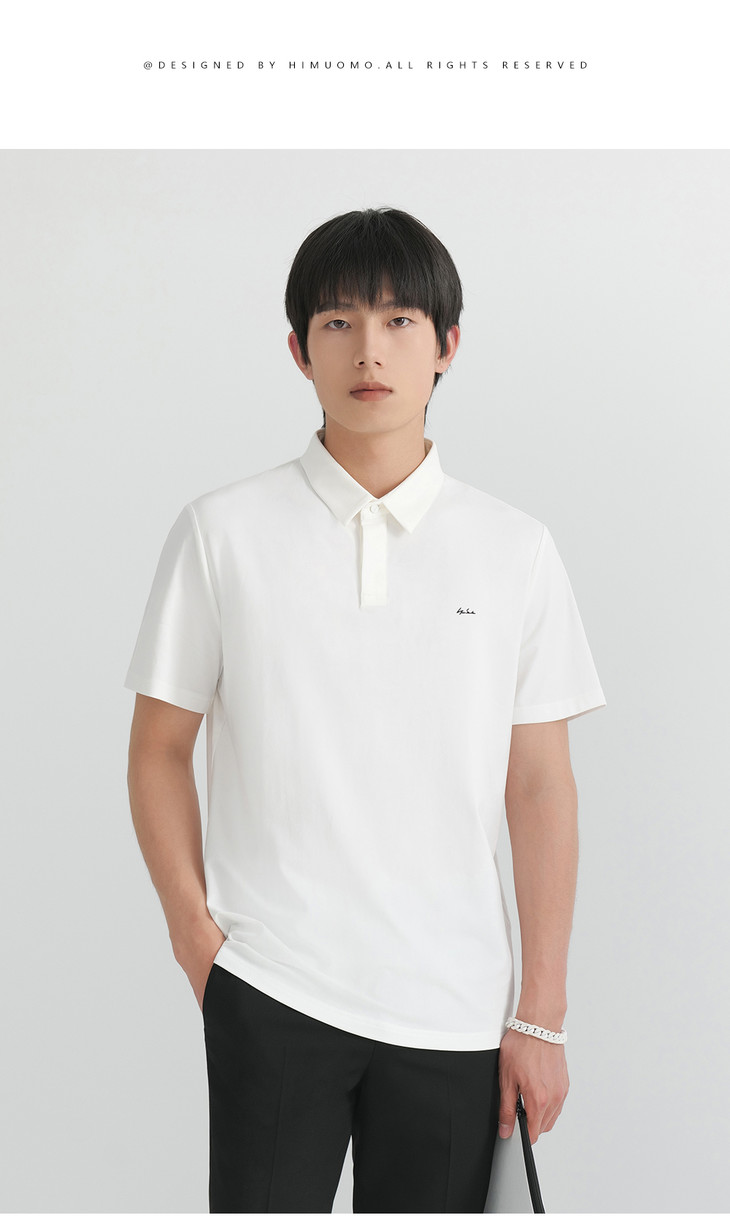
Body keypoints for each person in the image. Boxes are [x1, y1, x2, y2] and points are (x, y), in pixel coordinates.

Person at [125, 206, 606, 1213]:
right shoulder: (223, 532)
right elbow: (160, 748)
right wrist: (197, 943)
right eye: (338, 322)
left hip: (454, 1008)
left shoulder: (514, 549)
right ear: (299, 350)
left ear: (447, 345)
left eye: (398, 321)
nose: (369, 351)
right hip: (271, 984)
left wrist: (541, 1014)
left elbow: (538, 785)